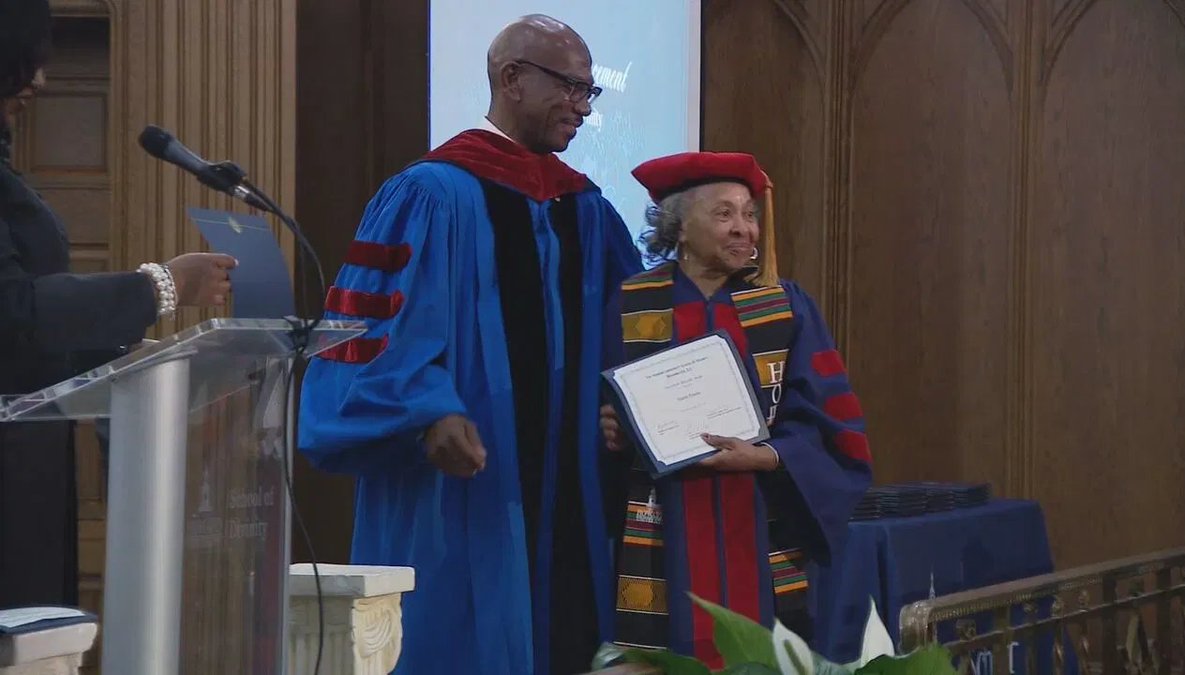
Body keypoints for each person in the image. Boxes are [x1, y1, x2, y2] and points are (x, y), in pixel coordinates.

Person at [298, 14, 643, 675]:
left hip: (571, 498)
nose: (582, 106)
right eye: (570, 86)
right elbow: (368, 334)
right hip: (459, 495)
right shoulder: (428, 195)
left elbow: (633, 329)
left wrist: (625, 403)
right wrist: (425, 408)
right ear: (512, 79)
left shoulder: (589, 210)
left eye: (589, 91)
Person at [0, 0, 236, 609]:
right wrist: (160, 287)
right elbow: (11, 312)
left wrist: (126, 353)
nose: (40, 81)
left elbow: (25, 339)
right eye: (25, 57)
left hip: (27, 475)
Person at [599, 152, 872, 668]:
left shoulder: (781, 305)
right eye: (724, 214)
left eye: (749, 214)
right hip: (661, 525)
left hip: (760, 519)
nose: (744, 229)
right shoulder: (634, 302)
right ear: (679, 224)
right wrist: (610, 431)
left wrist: (767, 457)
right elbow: (607, 417)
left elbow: (833, 424)